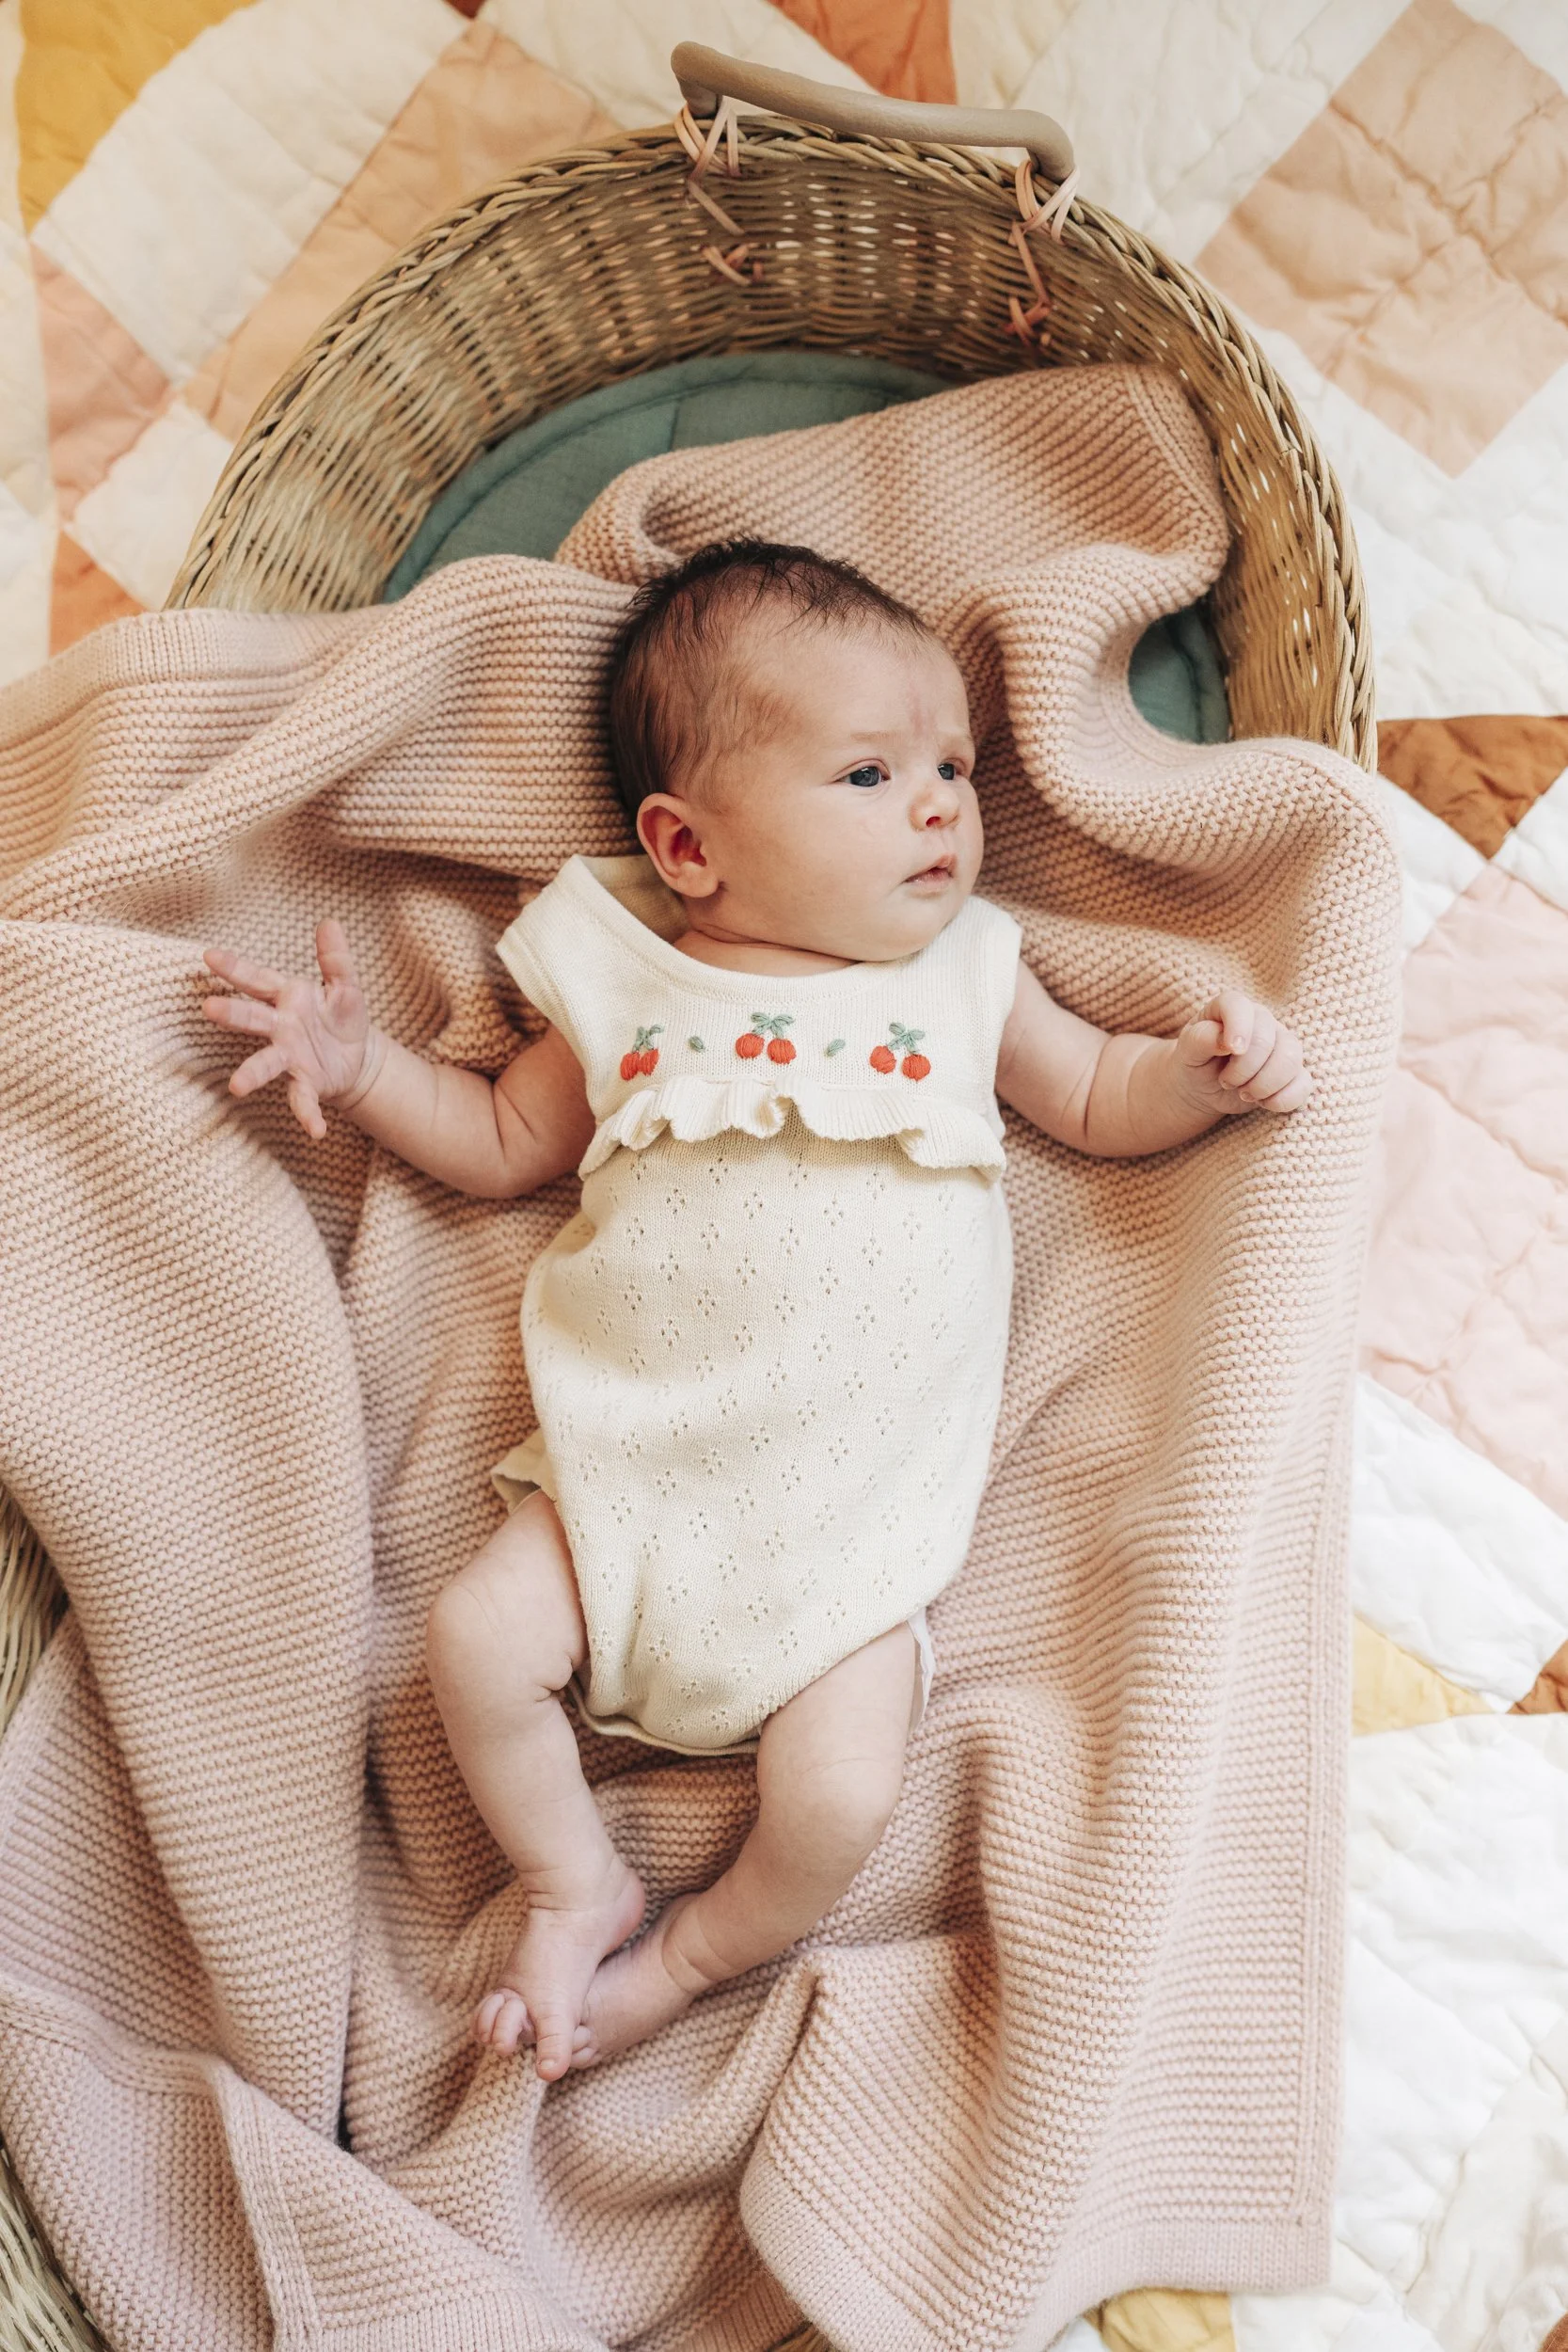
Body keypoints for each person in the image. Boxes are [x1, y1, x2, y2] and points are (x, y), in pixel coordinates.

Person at [201, 540, 1312, 2082]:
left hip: (849, 1541)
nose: (939, 806)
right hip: (630, 1482)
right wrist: (364, 1065)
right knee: (470, 1642)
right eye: (868, 774)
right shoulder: (629, 986)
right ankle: (571, 1879)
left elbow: (1097, 1095)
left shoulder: (967, 975)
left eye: (952, 766)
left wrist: (1197, 1077)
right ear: (688, 846)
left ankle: (691, 1954)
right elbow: (501, 1139)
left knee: (838, 1799)